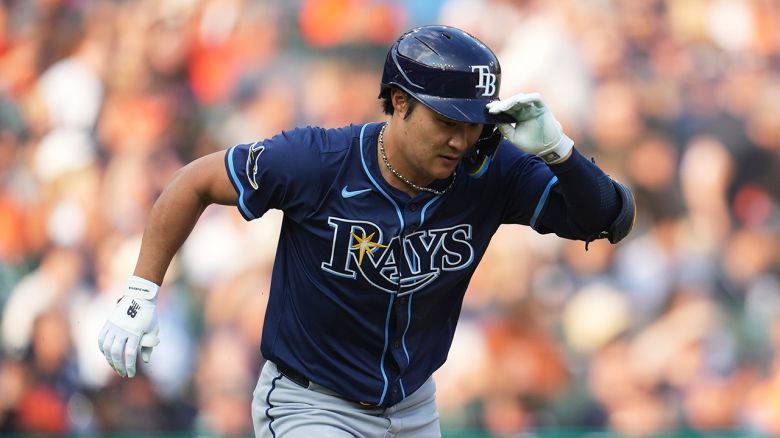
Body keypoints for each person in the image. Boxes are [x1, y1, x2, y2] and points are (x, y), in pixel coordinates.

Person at [98, 25, 635, 437]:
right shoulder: (317, 161)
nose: (461, 139)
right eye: (447, 121)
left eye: (474, 124)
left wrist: (559, 152)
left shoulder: (490, 172)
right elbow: (193, 183)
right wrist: (141, 291)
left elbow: (609, 219)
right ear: (399, 102)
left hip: (414, 407)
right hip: (312, 403)